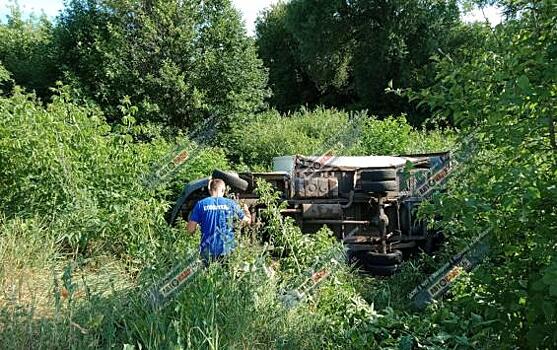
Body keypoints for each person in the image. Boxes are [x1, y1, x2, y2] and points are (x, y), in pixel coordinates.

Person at [187, 178, 251, 264]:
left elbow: (190, 229)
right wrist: (247, 212)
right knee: (226, 276)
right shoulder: (231, 203)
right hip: (227, 250)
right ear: (223, 190)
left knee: (207, 276)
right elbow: (246, 221)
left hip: (207, 250)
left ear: (210, 190)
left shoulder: (201, 204)